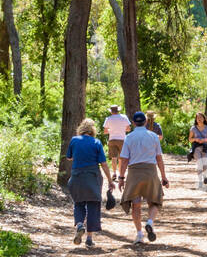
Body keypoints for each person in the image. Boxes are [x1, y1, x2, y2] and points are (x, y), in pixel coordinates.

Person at [118, 110, 169, 243]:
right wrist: (164, 177)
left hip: (134, 172)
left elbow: (123, 160)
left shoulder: (128, 138)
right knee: (155, 200)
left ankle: (139, 234)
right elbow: (159, 158)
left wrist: (121, 178)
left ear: (133, 123)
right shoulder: (153, 136)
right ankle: (150, 222)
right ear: (145, 122)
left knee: (136, 205)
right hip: (150, 171)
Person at [66, 118, 113, 248]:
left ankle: (80, 224)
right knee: (93, 205)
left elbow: (69, 157)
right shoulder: (96, 142)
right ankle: (89, 238)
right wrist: (110, 180)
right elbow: (103, 163)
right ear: (93, 130)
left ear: (81, 128)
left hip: (77, 175)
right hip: (93, 176)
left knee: (79, 202)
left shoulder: (74, 140)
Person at [102, 104, 131, 176]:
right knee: (121, 158)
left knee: (113, 158)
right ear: (118, 110)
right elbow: (128, 129)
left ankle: (114, 173)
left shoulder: (108, 119)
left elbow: (105, 131)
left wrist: (111, 130)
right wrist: (121, 129)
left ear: (111, 111)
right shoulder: (124, 117)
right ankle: (120, 173)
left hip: (112, 139)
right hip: (122, 139)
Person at [189, 111, 207, 189]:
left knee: (205, 164)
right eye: (197, 118)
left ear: (203, 118)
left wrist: (204, 140)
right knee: (199, 164)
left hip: (205, 147)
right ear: (196, 119)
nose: (199, 119)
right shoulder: (193, 128)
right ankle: (200, 181)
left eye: (200, 117)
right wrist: (195, 139)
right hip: (196, 148)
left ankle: (205, 176)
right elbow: (190, 139)